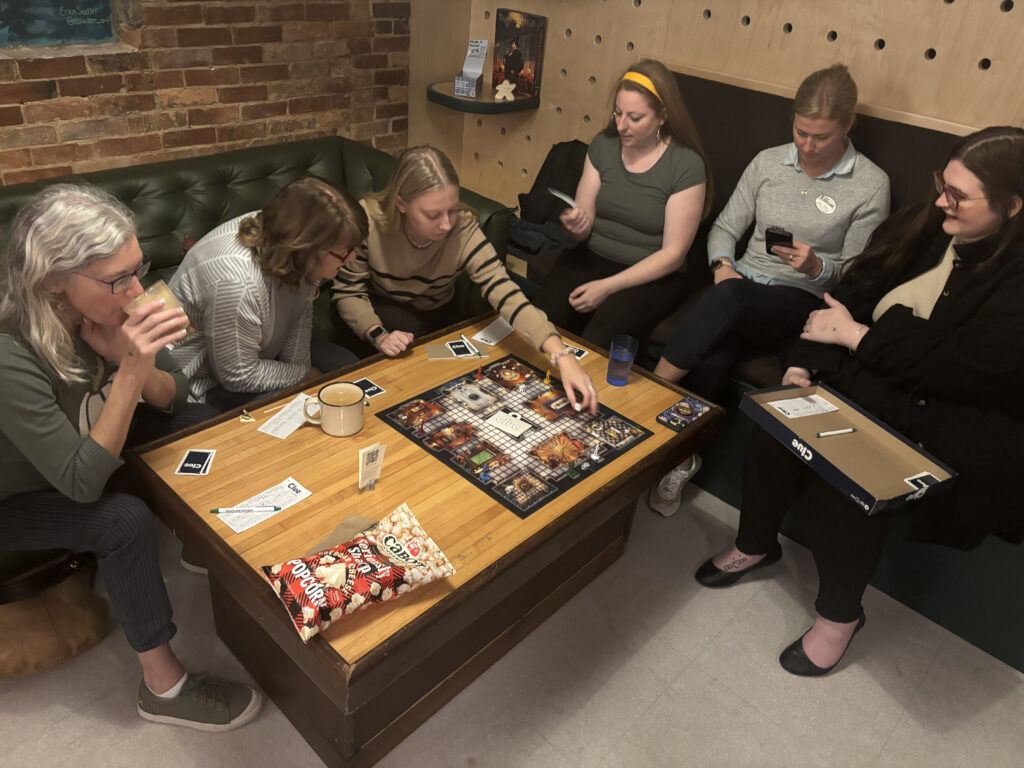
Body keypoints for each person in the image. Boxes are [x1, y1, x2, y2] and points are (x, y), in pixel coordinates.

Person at [694, 126, 1024, 676]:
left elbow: (958, 365)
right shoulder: (928, 224)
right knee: (779, 429)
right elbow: (847, 294)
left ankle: (839, 616)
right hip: (878, 375)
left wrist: (857, 338)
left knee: (847, 480)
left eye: (960, 196)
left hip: (954, 413)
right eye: (944, 183)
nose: (943, 199)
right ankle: (756, 544)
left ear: (1012, 206)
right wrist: (803, 362)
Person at [0, 184, 262, 729]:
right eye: (118, 278)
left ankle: (203, 539)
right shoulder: (11, 352)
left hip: (86, 444)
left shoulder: (105, 307)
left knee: (202, 424)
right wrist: (132, 372)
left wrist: (128, 360)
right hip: (18, 496)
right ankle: (163, 689)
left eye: (137, 268)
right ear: (53, 278)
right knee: (122, 520)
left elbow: (180, 397)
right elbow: (81, 484)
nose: (136, 289)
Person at [647, 64, 890, 517]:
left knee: (732, 304)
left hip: (801, 301)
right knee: (712, 360)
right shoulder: (767, 162)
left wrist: (818, 264)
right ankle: (679, 459)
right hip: (741, 289)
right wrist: (722, 266)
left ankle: (647, 394)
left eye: (821, 136)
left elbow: (857, 277)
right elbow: (724, 229)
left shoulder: (871, 184)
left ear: (848, 126)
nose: (808, 145)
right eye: (801, 131)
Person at [331, 146, 598, 413]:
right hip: (381, 311)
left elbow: (504, 291)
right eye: (433, 215)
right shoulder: (368, 220)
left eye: (452, 209)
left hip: (437, 315)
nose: (447, 224)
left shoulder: (463, 226)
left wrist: (561, 355)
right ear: (401, 204)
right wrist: (377, 334)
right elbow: (348, 291)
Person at [534, 58, 712, 350]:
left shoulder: (685, 165)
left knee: (596, 343)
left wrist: (607, 287)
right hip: (593, 257)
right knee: (540, 328)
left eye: (635, 118)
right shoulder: (603, 146)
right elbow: (584, 225)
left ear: (662, 116)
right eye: (618, 113)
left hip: (650, 275)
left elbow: (673, 255)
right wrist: (575, 226)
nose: (621, 126)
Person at [169, 178, 367, 411]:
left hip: (262, 351)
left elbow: (298, 315)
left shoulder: (297, 245)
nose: (352, 258)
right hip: (203, 380)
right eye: (345, 253)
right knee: (294, 409)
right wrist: (303, 375)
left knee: (348, 368)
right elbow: (237, 375)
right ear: (305, 247)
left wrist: (301, 373)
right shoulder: (238, 281)